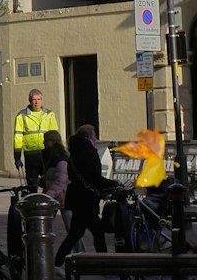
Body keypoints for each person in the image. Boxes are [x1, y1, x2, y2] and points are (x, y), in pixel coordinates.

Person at [55, 124, 120, 267]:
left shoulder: (74, 153)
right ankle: (103, 264)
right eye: (94, 135)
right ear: (88, 137)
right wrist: (114, 183)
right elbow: (95, 178)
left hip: (77, 199)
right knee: (96, 232)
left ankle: (57, 262)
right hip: (87, 200)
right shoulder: (90, 153)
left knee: (76, 234)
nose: (96, 138)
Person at [13, 89, 60, 190]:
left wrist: (57, 152)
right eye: (34, 99)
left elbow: (54, 135)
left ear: (42, 100)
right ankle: (32, 202)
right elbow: (18, 137)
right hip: (31, 154)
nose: (36, 102)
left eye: (39, 99)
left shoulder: (49, 114)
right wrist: (17, 156)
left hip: (46, 153)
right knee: (32, 184)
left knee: (49, 182)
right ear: (30, 100)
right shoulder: (22, 116)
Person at [41, 129, 77, 248]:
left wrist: (48, 195)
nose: (44, 143)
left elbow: (61, 181)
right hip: (55, 197)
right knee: (45, 226)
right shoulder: (51, 157)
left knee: (71, 229)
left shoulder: (61, 159)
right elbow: (51, 177)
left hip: (63, 198)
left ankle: (79, 252)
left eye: (46, 141)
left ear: (53, 141)